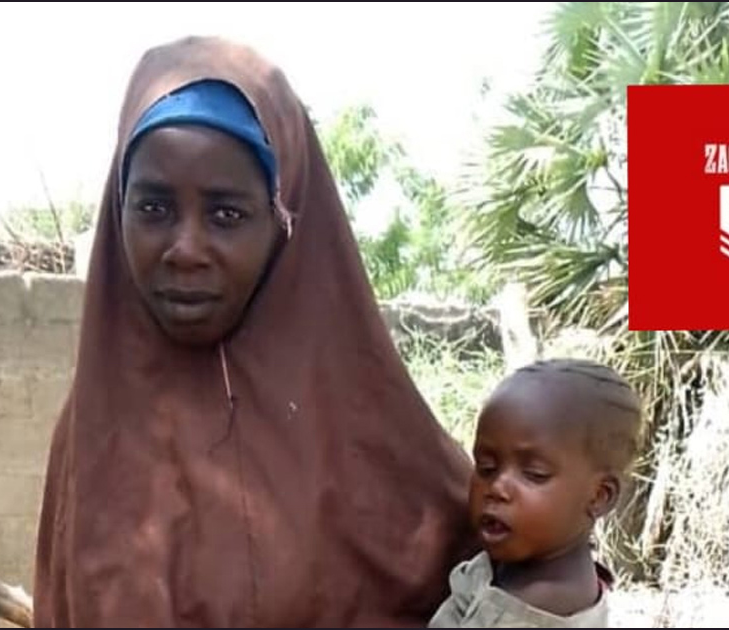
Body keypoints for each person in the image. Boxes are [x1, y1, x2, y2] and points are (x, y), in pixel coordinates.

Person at [32, 35, 476, 627]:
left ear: (283, 222)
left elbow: (520, 566)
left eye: (226, 214)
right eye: (154, 208)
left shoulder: (372, 435)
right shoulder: (93, 443)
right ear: (118, 215)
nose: (185, 250)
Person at [428, 359, 642, 628]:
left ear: (599, 496)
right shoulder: (525, 559)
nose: (497, 488)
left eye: (535, 474)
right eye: (486, 467)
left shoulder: (533, 611)